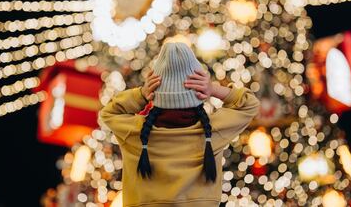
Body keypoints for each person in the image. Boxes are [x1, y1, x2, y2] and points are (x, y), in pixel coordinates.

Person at [99, 42, 260, 207]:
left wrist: (141, 94)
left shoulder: (134, 133)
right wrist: (213, 89)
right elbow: (249, 104)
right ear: (198, 94)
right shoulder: (212, 131)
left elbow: (109, 112)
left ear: (155, 93)